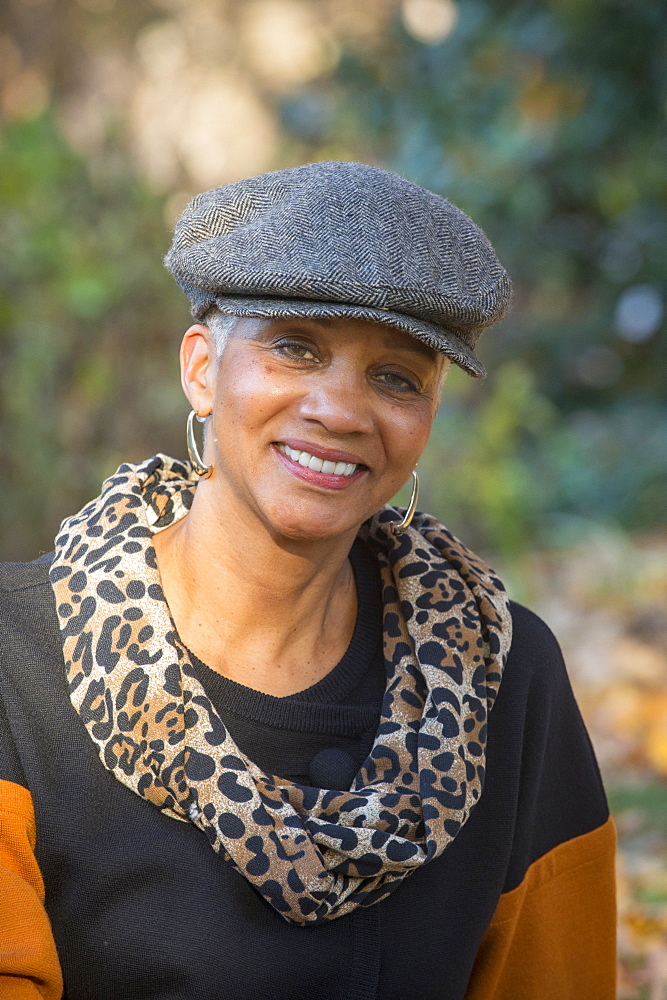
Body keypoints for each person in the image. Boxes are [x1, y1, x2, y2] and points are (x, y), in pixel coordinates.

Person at [0, 161, 615, 1000]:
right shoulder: (19, 666)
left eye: (395, 378)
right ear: (201, 370)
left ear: (427, 416)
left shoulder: (501, 679)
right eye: (296, 349)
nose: (339, 409)